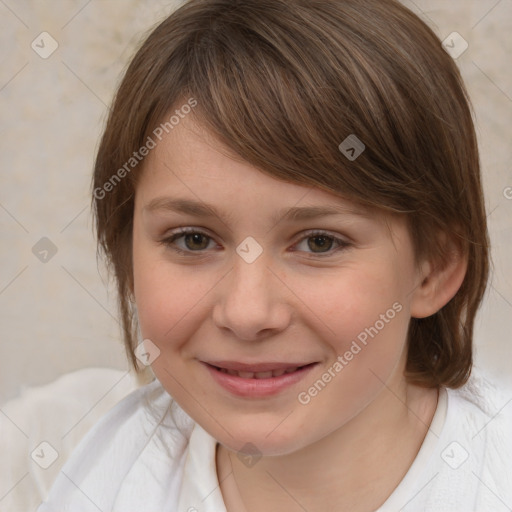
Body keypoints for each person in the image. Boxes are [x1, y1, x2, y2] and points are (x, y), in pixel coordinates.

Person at [37, 0, 512, 511]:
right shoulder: (80, 467)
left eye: (319, 243)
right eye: (193, 239)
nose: (247, 314)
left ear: (433, 268)